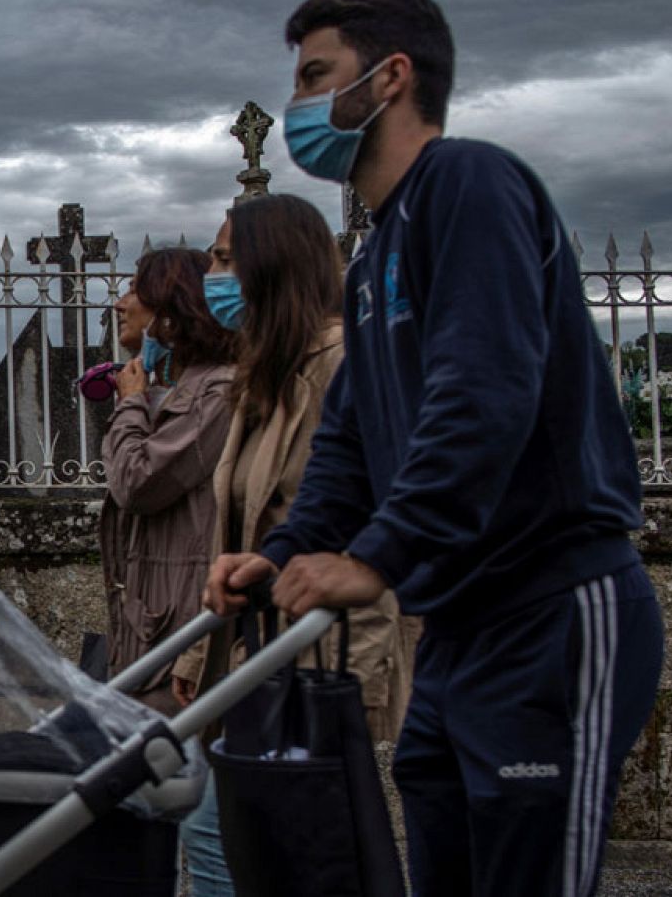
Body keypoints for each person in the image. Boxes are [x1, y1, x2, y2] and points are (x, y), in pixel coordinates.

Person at [203, 0, 664, 894]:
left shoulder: (470, 185)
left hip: (551, 608)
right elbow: (349, 446)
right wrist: (284, 553)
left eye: (313, 75)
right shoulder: (375, 262)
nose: (295, 104)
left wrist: (378, 555)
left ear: (392, 77)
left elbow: (484, 391)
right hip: (457, 627)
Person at [169, 194, 409, 896]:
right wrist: (196, 649)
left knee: (233, 837)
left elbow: (370, 520)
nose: (211, 274)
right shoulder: (263, 373)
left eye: (222, 258)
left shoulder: (342, 367)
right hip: (256, 651)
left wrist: (355, 686)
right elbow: (240, 529)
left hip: (322, 653)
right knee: (231, 838)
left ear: (270, 265)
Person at [100, 247, 238, 716]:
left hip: (176, 639)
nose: (120, 303)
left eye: (136, 290)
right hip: (150, 633)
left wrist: (131, 404)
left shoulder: (217, 391)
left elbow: (137, 482)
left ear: (172, 311)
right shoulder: (184, 388)